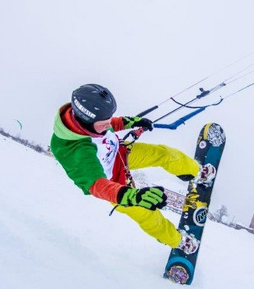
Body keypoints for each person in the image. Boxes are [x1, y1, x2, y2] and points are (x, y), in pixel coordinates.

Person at [49, 83, 214, 255]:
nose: (108, 126)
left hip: (119, 153)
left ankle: (196, 172)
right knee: (147, 214)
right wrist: (134, 196)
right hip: (114, 185)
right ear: (86, 121)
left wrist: (132, 122)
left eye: (108, 121)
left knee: (163, 153)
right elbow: (97, 185)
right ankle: (177, 240)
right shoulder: (78, 152)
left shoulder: (87, 120)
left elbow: (111, 123)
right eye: (103, 124)